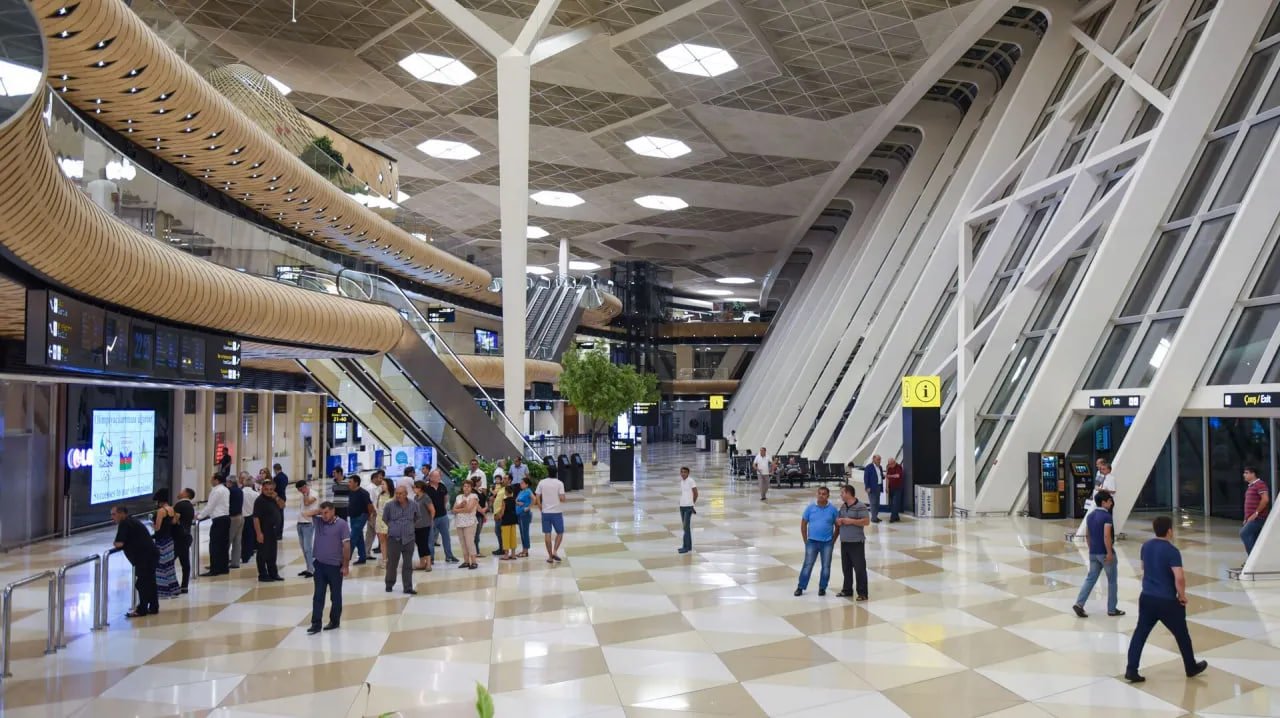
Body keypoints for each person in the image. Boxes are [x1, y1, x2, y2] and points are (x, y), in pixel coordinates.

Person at [1125, 516, 1208, 683]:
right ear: (1169, 531)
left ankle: (1131, 669)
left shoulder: (1146, 546)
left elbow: (1143, 567)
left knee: (1140, 633)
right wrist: (1182, 595)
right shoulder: (1172, 551)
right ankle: (1190, 666)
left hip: (1147, 597)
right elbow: (1179, 577)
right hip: (1166, 600)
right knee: (1182, 634)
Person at [1073, 492, 1123, 618]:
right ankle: (1112, 609)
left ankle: (1079, 603)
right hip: (1105, 553)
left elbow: (1087, 535)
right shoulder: (1107, 517)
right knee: (1112, 581)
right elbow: (1106, 536)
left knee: (1090, 579)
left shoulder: (1090, 516)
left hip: (1093, 553)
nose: (1111, 503)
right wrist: (1109, 552)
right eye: (1109, 501)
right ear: (1103, 502)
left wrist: (1091, 549)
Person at [308, 501, 350, 635]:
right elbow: (305, 514)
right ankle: (316, 623)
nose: (324, 516)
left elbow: (346, 546)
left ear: (333, 511)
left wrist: (345, 565)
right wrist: (318, 512)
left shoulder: (342, 524)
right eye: (322, 513)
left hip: (335, 567)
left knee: (335, 596)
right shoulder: (319, 521)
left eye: (326, 512)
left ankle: (334, 621)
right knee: (318, 595)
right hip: (319, 565)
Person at [111, 505, 159, 617]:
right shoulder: (132, 521)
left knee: (142, 583)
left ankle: (142, 609)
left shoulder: (124, 523)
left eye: (114, 514)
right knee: (150, 582)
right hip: (150, 555)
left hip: (144, 557)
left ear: (121, 513)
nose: (112, 517)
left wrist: (117, 543)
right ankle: (153, 607)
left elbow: (119, 543)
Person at [795, 487, 839, 597]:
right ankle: (800, 587)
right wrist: (806, 540)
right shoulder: (810, 508)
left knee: (826, 567)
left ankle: (822, 588)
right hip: (812, 542)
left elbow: (838, 526)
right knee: (807, 565)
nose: (821, 496)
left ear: (828, 496)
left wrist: (833, 540)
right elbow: (803, 524)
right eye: (819, 493)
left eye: (824, 494)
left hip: (827, 543)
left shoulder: (833, 509)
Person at [382, 485, 421, 594]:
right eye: (396, 493)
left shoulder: (414, 505)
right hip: (394, 539)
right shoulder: (389, 505)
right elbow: (385, 518)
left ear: (406, 494)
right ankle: (389, 584)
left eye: (400, 494)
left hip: (409, 539)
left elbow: (417, 517)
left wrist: (409, 526)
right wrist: (393, 527)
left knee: (408, 564)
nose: (398, 495)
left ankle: (408, 587)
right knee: (392, 564)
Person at [835, 484, 870, 600]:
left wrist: (850, 521)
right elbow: (839, 521)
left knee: (859, 568)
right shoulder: (843, 506)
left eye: (842, 493)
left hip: (856, 542)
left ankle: (862, 593)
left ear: (848, 493)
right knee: (846, 568)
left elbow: (866, 522)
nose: (841, 495)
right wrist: (839, 521)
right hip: (845, 542)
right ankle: (847, 590)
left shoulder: (860, 506)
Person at [198, 474, 230, 576]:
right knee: (223, 545)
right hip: (225, 518)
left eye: (212, 479)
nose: (210, 480)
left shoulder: (216, 491)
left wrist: (200, 516)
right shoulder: (225, 489)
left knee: (215, 545)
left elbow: (210, 506)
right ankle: (223, 567)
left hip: (219, 519)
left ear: (216, 480)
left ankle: (215, 569)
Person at [252, 480, 285, 582]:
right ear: (262, 489)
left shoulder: (273, 498)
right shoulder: (259, 501)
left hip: (273, 531)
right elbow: (256, 518)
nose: (269, 491)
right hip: (264, 530)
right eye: (266, 489)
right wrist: (259, 533)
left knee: (272, 553)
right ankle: (262, 574)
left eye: (271, 489)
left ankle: (273, 573)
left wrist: (276, 497)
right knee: (263, 553)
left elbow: (282, 505)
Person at [151, 490, 181, 601]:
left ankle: (163, 590)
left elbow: (157, 527)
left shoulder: (160, 511)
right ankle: (173, 589)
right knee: (169, 565)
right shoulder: (171, 509)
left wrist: (151, 524)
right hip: (169, 540)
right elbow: (173, 522)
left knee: (160, 565)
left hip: (161, 541)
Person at [425, 469, 458, 563]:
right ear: (430, 477)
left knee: (446, 537)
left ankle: (449, 556)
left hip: (442, 516)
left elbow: (445, 497)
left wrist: (443, 507)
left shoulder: (442, 486)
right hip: (430, 517)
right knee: (430, 539)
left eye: (439, 476)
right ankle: (431, 558)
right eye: (435, 476)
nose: (438, 478)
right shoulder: (426, 488)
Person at [536, 471, 567, 563]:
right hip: (557, 512)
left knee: (547, 533)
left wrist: (540, 506)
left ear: (548, 473)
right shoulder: (559, 483)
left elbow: (537, 496)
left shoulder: (542, 482)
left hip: (545, 512)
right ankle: (555, 551)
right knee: (560, 532)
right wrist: (563, 497)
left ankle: (550, 557)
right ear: (556, 473)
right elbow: (562, 499)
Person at [1241, 466, 1270, 557]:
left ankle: (1252, 558)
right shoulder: (1251, 486)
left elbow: (1265, 499)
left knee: (1244, 533)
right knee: (1254, 538)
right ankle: (1256, 560)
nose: (1244, 475)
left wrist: (1256, 513)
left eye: (1246, 473)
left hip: (1258, 518)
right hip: (1251, 518)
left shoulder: (1260, 484)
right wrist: (1246, 518)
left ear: (1253, 474)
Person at [346, 475, 374, 565]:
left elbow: (370, 505)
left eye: (350, 482)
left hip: (362, 516)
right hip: (353, 517)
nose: (348, 483)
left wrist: (369, 516)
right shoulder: (350, 491)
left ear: (356, 483)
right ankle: (362, 557)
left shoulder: (363, 493)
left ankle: (345, 560)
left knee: (353, 537)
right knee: (359, 537)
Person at [454, 479, 481, 569]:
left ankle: (474, 562)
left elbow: (469, 509)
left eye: (468, 486)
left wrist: (458, 509)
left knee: (469, 542)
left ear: (471, 488)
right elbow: (453, 510)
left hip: (470, 522)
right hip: (459, 522)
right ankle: (466, 561)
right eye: (465, 486)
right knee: (463, 543)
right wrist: (461, 506)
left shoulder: (474, 496)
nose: (466, 488)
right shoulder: (458, 497)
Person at [173, 488, 195, 593]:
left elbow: (175, 520)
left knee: (169, 561)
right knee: (185, 561)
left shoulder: (179, 505)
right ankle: (184, 585)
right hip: (186, 536)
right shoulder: (190, 506)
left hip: (178, 537)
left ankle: (171, 584)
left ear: (186, 494)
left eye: (182, 491)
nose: (179, 492)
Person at [296, 480, 320, 578]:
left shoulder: (314, 494)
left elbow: (307, 503)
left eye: (301, 489)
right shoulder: (302, 495)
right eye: (299, 490)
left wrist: (305, 494)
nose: (301, 491)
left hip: (308, 524)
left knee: (307, 548)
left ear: (305, 486)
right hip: (300, 523)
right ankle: (309, 567)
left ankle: (312, 569)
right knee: (303, 548)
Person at [412, 480, 436, 571]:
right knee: (419, 544)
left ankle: (428, 563)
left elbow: (432, 510)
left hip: (425, 525)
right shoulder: (415, 497)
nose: (413, 489)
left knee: (424, 544)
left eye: (415, 487)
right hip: (416, 525)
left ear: (420, 488)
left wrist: (430, 521)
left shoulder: (426, 498)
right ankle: (422, 563)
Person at [239, 473, 259, 565]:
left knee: (241, 537)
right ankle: (249, 553)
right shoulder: (255, 494)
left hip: (241, 516)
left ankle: (242, 553)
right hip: (251, 516)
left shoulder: (240, 492)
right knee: (250, 536)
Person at [678, 467, 698, 554]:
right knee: (685, 527)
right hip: (682, 506)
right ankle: (687, 546)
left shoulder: (691, 481)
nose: (683, 474)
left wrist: (692, 504)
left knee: (686, 527)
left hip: (688, 507)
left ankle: (685, 547)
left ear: (688, 473)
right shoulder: (682, 482)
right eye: (682, 472)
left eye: (685, 472)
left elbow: (696, 493)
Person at [499, 476, 519, 561]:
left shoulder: (504, 501)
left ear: (506, 492)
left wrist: (499, 516)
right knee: (513, 537)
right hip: (513, 520)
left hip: (506, 521)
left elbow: (502, 512)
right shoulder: (514, 500)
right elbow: (517, 505)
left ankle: (506, 555)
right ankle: (513, 554)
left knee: (506, 537)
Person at [373, 474, 392, 568]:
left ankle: (391, 560)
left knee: (390, 541)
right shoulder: (380, 495)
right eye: (381, 484)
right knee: (382, 541)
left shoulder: (393, 496)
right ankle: (385, 560)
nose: (382, 486)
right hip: (380, 519)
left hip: (390, 521)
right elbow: (377, 506)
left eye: (383, 484)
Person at [228, 473, 246, 569]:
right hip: (240, 516)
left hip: (233, 518)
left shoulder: (230, 491)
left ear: (230, 482)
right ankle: (235, 562)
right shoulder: (240, 490)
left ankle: (221, 562)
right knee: (237, 541)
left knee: (228, 540)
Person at [367, 470, 386, 556]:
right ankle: (382, 549)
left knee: (370, 534)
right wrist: (373, 512)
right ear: (374, 479)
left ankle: (366, 552)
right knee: (378, 533)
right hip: (374, 514)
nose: (381, 480)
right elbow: (370, 502)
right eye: (380, 478)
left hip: (376, 513)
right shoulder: (371, 488)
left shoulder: (377, 488)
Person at [489, 473, 508, 556]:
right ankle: (501, 548)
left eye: (505, 479)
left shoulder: (508, 489)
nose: (502, 480)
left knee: (499, 532)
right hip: (496, 513)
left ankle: (503, 549)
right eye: (503, 478)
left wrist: (500, 513)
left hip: (500, 514)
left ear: (509, 480)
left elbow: (505, 502)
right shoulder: (501, 488)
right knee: (498, 532)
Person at [515, 476, 533, 558]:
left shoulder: (528, 491)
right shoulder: (521, 491)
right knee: (522, 532)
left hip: (525, 514)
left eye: (522, 483)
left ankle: (526, 551)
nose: (520, 484)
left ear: (527, 484)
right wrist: (518, 503)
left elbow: (534, 499)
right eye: (520, 483)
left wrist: (528, 507)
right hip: (519, 514)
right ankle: (523, 550)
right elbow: (516, 500)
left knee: (525, 532)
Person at [863, 455, 884, 523]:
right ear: (873, 459)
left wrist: (883, 476)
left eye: (880, 459)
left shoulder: (880, 467)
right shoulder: (869, 467)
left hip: (878, 487)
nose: (879, 461)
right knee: (873, 503)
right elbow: (866, 478)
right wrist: (867, 487)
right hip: (871, 488)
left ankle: (875, 517)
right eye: (878, 459)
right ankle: (873, 518)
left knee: (877, 503)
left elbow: (880, 476)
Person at [885, 457, 904, 523]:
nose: (889, 465)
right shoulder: (889, 468)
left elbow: (897, 475)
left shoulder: (899, 467)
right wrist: (887, 487)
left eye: (890, 464)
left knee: (895, 503)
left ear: (894, 462)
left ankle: (892, 518)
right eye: (889, 464)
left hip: (898, 488)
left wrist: (890, 476)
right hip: (891, 488)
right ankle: (896, 517)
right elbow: (887, 478)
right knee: (892, 504)